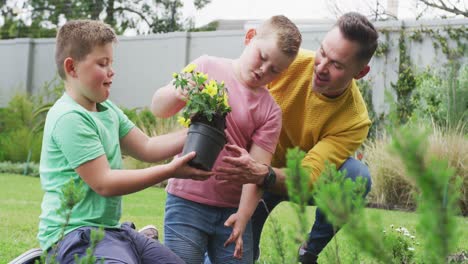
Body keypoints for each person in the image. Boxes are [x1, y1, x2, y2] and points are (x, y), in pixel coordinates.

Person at [37, 19, 212, 263]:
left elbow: (147, 147)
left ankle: (133, 240)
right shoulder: (69, 116)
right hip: (73, 237)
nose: (112, 71)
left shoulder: (106, 109)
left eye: (111, 63)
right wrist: (171, 170)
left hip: (111, 232)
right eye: (102, 63)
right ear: (72, 68)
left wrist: (201, 130)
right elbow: (104, 183)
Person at [215, 12, 378, 264]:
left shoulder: (354, 120)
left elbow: (308, 178)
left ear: (360, 72)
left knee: (357, 177)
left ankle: (308, 253)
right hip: (253, 174)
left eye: (337, 65)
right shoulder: (284, 64)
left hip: (289, 178)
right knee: (231, 257)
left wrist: (263, 173)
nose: (321, 68)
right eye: (322, 52)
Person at [151, 15, 302, 264]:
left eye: (275, 70)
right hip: (186, 199)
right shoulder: (207, 67)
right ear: (250, 38)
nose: (264, 70)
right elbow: (159, 107)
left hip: (230, 209)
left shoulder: (270, 111)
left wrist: (243, 217)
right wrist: (180, 90)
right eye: (262, 57)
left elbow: (256, 172)